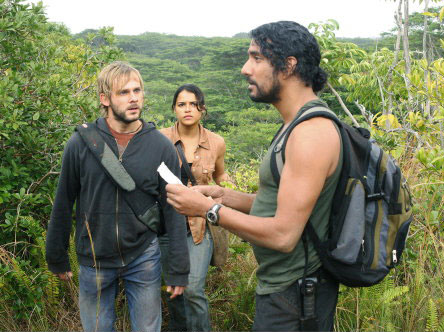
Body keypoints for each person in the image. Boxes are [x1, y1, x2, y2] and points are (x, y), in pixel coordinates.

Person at [165, 21, 342, 331]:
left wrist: (208, 211)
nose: (246, 69)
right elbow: (283, 204)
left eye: (256, 58)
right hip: (285, 290)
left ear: (288, 66)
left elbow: (284, 236)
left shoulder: (311, 133)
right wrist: (225, 196)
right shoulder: (294, 125)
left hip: (297, 295)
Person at [45, 61, 189, 332]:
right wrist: (56, 256)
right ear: (105, 99)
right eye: (123, 92)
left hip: (144, 255)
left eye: (137, 90)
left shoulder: (161, 147)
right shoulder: (80, 144)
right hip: (93, 258)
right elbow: (64, 201)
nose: (134, 98)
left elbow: (174, 207)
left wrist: (179, 269)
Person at [159, 84, 231, 331]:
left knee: (192, 287)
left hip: (200, 226)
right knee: (175, 290)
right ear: (174, 109)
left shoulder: (216, 142)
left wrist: (234, 200)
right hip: (167, 225)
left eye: (193, 104)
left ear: (202, 109)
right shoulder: (159, 139)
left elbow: (221, 178)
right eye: (182, 104)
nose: (187, 109)